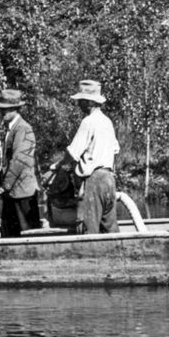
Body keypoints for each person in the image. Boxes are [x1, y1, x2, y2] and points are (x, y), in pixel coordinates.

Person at [51, 80, 120, 234]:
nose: (78, 104)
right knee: (110, 228)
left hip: (94, 180)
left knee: (89, 229)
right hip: (109, 179)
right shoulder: (107, 122)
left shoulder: (88, 122)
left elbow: (73, 152)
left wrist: (60, 165)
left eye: (81, 101)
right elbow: (115, 149)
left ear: (89, 103)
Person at [0, 89, 41, 236]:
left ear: (15, 109)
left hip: (23, 194)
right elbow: (10, 163)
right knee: (8, 234)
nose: (2, 113)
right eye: (0, 109)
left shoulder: (23, 129)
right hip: (12, 192)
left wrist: (4, 186)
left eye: (5, 109)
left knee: (28, 237)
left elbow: (20, 161)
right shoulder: (12, 128)